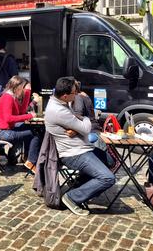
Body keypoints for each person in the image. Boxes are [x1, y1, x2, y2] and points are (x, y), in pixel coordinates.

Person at [44, 77, 115, 215]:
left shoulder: (62, 103)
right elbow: (86, 128)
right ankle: (72, 198)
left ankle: (81, 185)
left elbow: (78, 123)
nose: (76, 95)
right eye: (74, 93)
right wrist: (85, 118)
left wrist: (77, 126)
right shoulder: (58, 110)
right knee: (108, 178)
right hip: (74, 153)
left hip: (82, 147)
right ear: (65, 95)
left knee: (110, 161)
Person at [0, 75, 40, 173]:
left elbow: (21, 112)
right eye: (23, 88)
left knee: (32, 128)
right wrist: (30, 116)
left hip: (7, 129)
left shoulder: (12, 96)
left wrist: (27, 92)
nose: (23, 91)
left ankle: (28, 159)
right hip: (3, 132)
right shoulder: (7, 97)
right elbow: (8, 118)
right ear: (17, 87)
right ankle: (31, 161)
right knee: (34, 134)